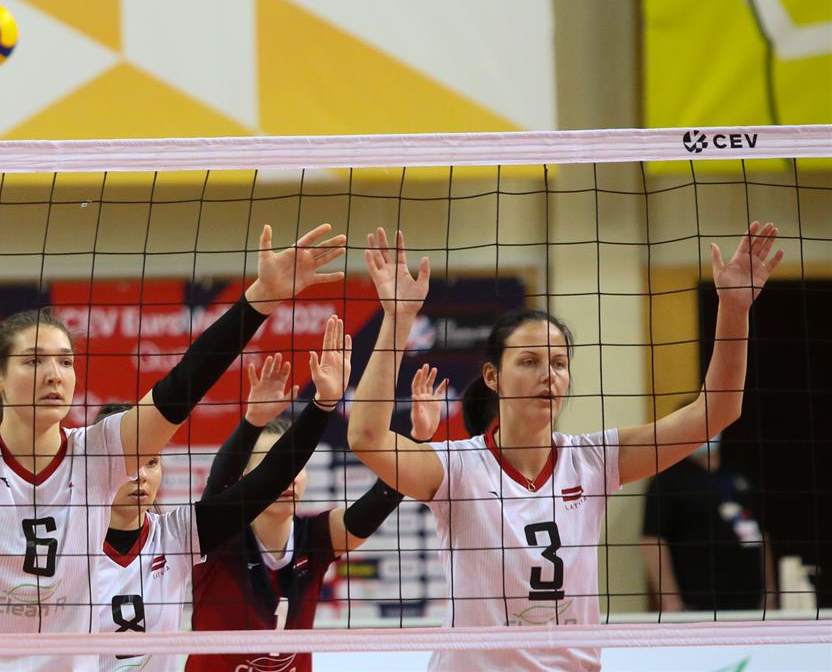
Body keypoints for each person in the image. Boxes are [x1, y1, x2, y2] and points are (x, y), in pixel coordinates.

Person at [0, 174, 346, 672]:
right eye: (34, 361)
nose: (55, 375)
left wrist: (258, 301)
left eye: (65, 361)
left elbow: (180, 389)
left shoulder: (98, 455)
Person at [347, 223, 783, 671]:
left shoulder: (593, 461)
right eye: (529, 361)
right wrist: (397, 319)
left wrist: (734, 309)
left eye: (558, 363)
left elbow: (716, 412)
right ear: (493, 377)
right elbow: (366, 438)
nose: (548, 375)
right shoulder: (458, 467)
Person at [92, 321, 352, 672]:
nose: (139, 474)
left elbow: (265, 481)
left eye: (151, 461)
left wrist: (322, 405)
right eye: (126, 462)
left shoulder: (175, 535)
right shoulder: (67, 540)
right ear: (96, 465)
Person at [186, 337, 422, 672]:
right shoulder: (216, 536)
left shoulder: (316, 537)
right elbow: (218, 484)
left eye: (296, 468)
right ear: (249, 478)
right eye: (274, 469)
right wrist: (253, 421)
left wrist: (418, 441)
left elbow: (374, 506)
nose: (288, 478)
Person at [641, 435, 776, 612]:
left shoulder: (737, 473)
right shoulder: (668, 479)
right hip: (696, 606)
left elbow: (760, 535)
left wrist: (769, 594)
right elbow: (652, 540)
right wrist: (671, 602)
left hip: (749, 604)